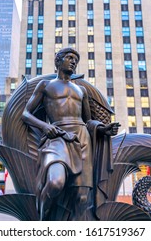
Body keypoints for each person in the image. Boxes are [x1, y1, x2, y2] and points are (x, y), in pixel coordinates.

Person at [22, 47, 120, 220]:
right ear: (58, 61)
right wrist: (45, 126)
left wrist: (103, 129)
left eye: (76, 59)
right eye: (69, 57)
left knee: (82, 197)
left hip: (82, 138)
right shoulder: (45, 85)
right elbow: (26, 114)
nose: (74, 61)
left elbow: (88, 120)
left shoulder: (81, 90)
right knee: (55, 182)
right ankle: (43, 223)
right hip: (57, 138)